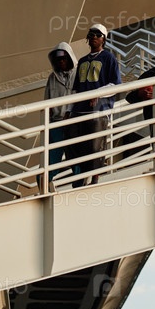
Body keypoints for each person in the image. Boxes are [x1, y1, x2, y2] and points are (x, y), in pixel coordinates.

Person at [65, 24, 121, 187]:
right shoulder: (82, 61)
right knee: (74, 145)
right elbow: (75, 89)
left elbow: (116, 84)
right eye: (91, 34)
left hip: (98, 111)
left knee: (95, 146)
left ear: (104, 39)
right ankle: (80, 178)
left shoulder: (109, 58)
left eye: (98, 34)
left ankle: (94, 179)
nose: (94, 37)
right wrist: (68, 109)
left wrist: (98, 94)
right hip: (79, 111)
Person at [42, 42, 77, 191]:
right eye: (58, 59)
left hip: (74, 122)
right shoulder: (52, 78)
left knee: (75, 157)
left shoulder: (78, 74)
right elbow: (46, 101)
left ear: (69, 58)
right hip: (56, 123)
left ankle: (79, 186)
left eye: (63, 58)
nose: (61, 61)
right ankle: (44, 186)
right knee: (52, 158)